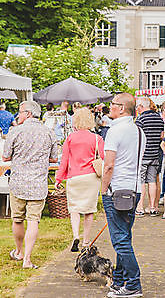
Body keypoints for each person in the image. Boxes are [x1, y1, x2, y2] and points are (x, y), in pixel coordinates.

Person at [2, 100, 59, 269]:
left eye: (20, 112)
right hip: (38, 184)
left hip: (18, 182)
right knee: (34, 220)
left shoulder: (15, 131)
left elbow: (5, 157)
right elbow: (54, 158)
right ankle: (27, 259)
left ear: (28, 113)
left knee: (18, 219)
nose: (17, 115)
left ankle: (19, 252)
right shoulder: (48, 132)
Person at [101, 93, 146, 298]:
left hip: (116, 189)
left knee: (120, 239)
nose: (109, 107)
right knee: (125, 236)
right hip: (133, 188)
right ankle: (120, 280)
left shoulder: (115, 130)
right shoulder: (138, 131)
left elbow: (109, 165)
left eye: (112, 104)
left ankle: (133, 283)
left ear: (121, 108)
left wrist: (103, 189)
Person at [55, 108, 104, 252]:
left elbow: (64, 160)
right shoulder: (97, 138)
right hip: (91, 177)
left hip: (74, 176)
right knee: (89, 211)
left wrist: (58, 178)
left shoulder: (70, 138)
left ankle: (76, 235)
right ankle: (86, 242)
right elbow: (102, 157)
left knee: (74, 209)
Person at [135, 97, 165, 217]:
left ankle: (140, 207)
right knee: (152, 181)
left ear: (141, 106)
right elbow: (162, 135)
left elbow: (136, 136)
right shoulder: (159, 118)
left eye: (138, 107)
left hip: (143, 154)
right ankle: (153, 207)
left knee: (141, 181)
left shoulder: (141, 119)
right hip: (155, 154)